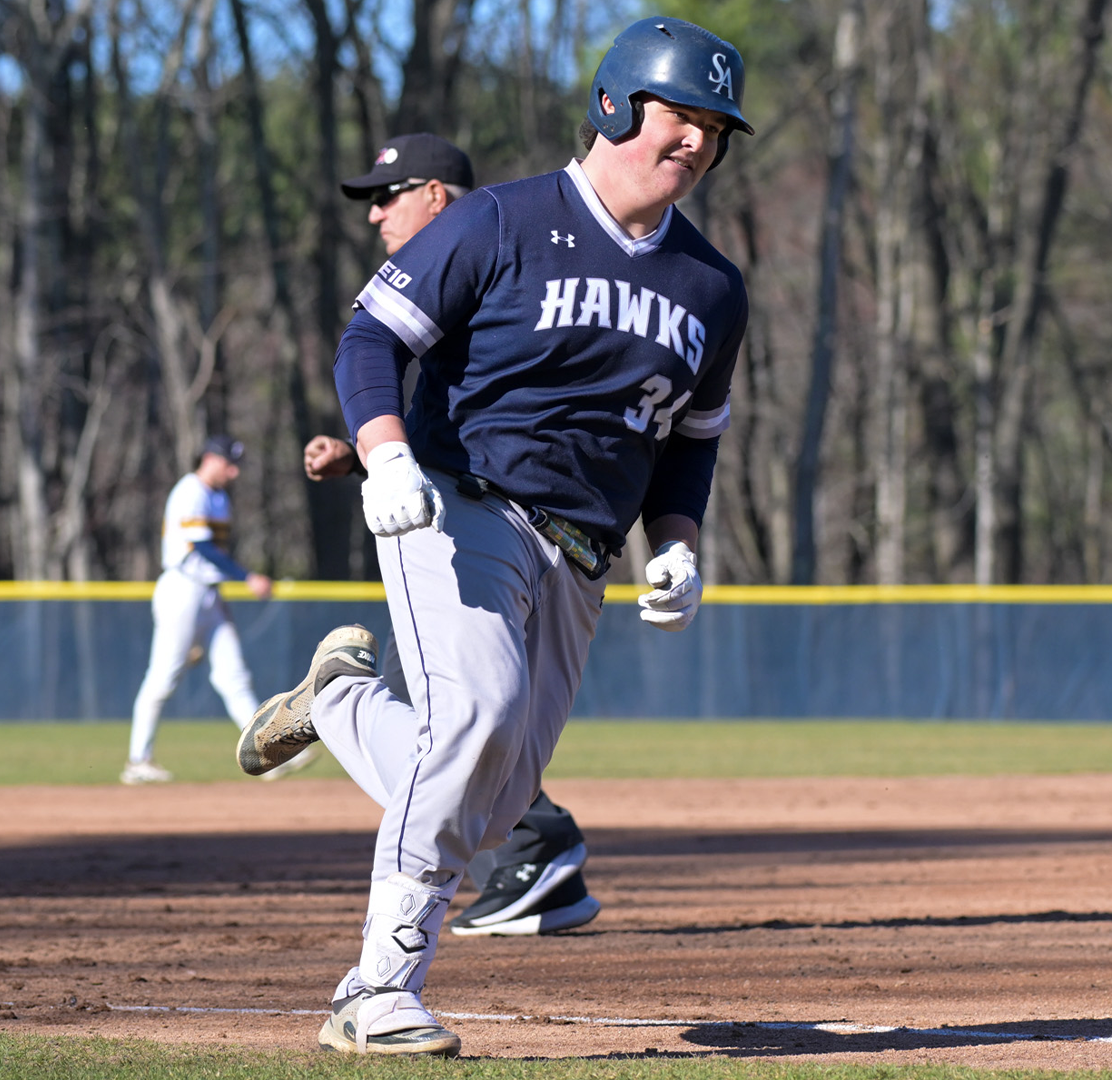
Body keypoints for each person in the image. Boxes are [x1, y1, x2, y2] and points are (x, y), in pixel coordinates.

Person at [238, 17, 751, 1055]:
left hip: (583, 552)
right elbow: (371, 336)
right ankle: (375, 993)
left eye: (713, 126)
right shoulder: (503, 222)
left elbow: (689, 441)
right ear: (615, 107)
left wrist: (681, 542)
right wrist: (383, 455)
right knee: (477, 718)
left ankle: (338, 702)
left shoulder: (711, 288)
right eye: (678, 114)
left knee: (496, 790)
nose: (695, 140)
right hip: (456, 502)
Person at [309, 131, 603, 939]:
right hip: (454, 524)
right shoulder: (469, 255)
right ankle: (529, 856)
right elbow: (449, 398)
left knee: (477, 731)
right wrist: (370, 452)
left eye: (386, 194)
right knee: (473, 715)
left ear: (436, 194)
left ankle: (530, 844)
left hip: (531, 529)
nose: (375, 215)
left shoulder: (498, 241)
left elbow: (518, 407)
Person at [123, 436, 277, 785]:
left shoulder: (218, 497)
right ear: (210, 458)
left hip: (208, 593)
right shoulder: (190, 490)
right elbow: (203, 548)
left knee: (234, 675)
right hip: (182, 589)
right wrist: (247, 577)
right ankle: (138, 760)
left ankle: (265, 753)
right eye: (229, 463)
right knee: (162, 677)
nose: (234, 471)